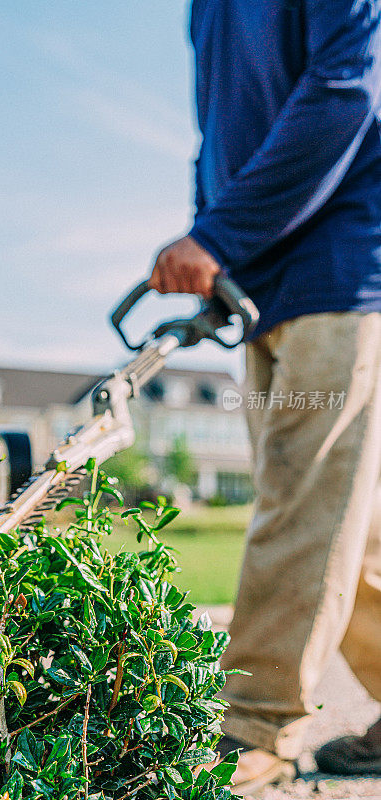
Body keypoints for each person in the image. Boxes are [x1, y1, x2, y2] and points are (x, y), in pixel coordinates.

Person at [149, 0, 381, 794]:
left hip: (340, 267)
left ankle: (256, 726)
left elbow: (344, 89)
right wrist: (210, 234)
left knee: (300, 501)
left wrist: (217, 236)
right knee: (350, 524)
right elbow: (218, 134)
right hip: (258, 281)